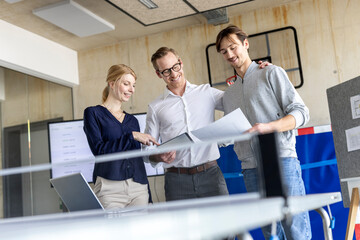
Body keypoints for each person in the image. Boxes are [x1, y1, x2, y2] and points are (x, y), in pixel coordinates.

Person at [215, 25, 311, 240]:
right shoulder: (229, 94)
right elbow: (232, 131)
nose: (230, 54)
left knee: (295, 227)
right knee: (271, 233)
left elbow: (302, 113)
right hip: (250, 169)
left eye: (233, 47)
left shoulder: (271, 72)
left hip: (281, 160)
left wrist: (269, 127)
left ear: (245, 44)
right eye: (224, 51)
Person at [83, 64, 158, 209]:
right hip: (109, 189)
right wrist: (131, 136)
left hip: (139, 188)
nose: (131, 90)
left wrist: (149, 196)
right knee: (114, 232)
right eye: (126, 84)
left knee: (141, 231)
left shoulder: (132, 121)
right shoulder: (93, 113)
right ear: (112, 83)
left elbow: (136, 160)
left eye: (134, 85)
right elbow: (99, 150)